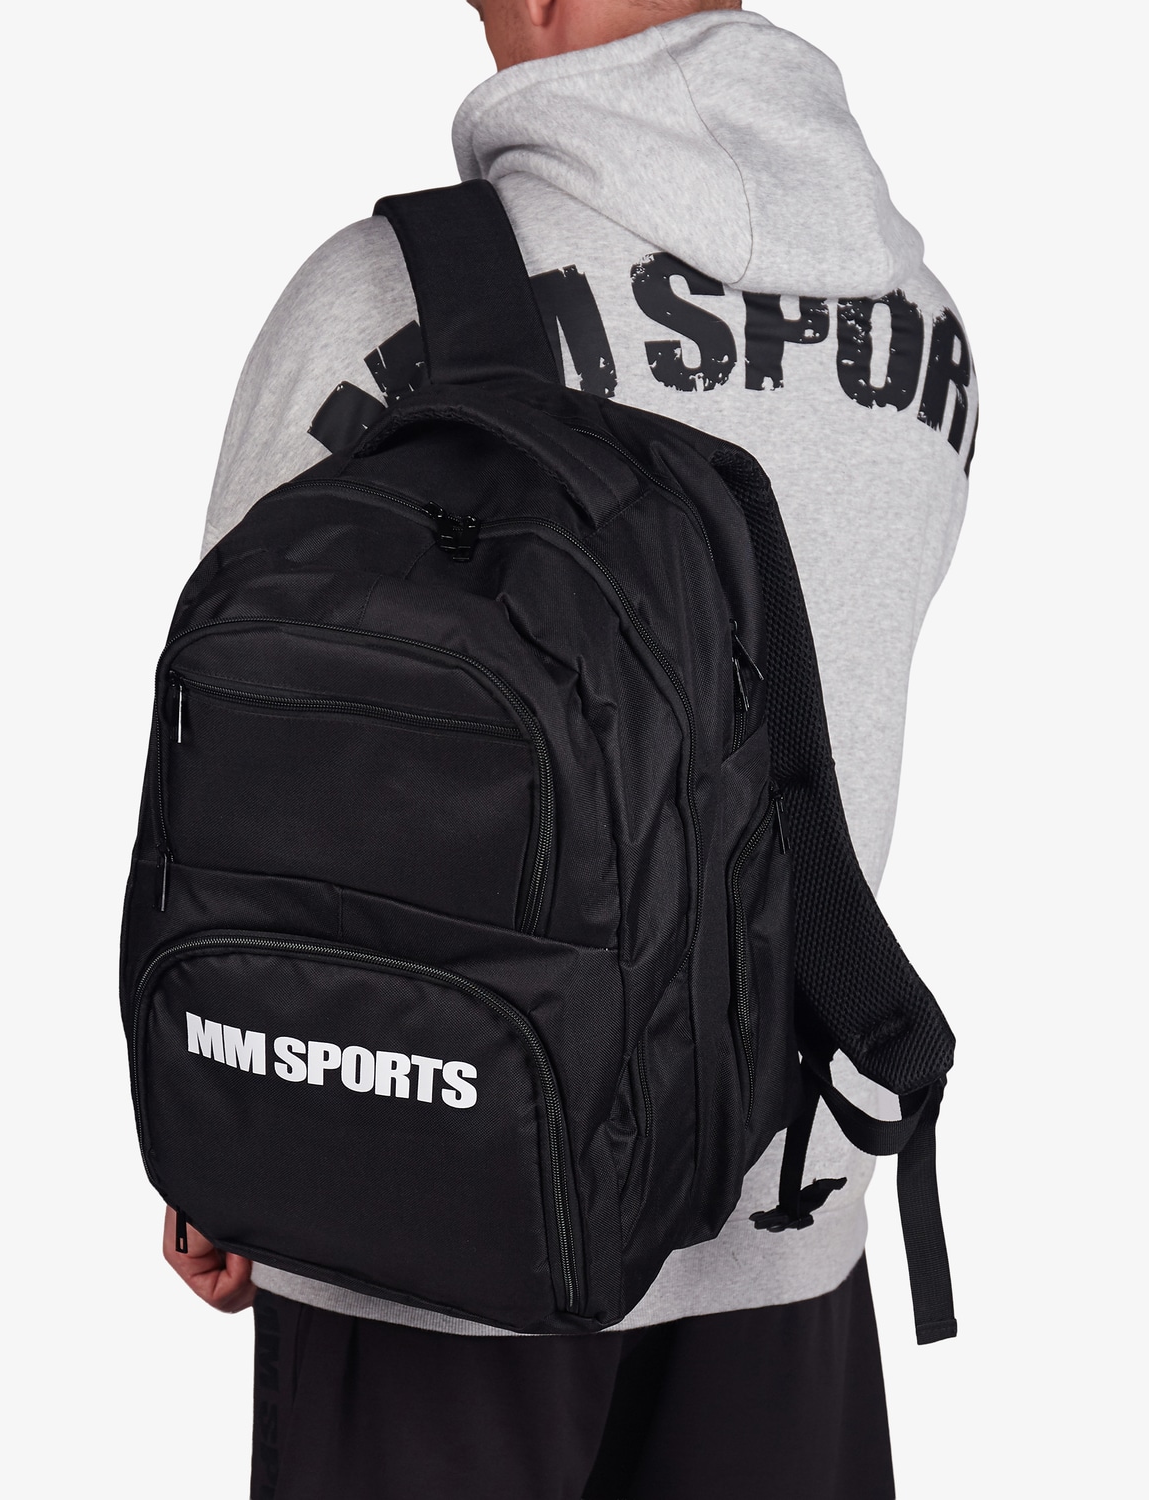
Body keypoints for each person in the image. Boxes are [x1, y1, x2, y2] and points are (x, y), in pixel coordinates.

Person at [167, 2, 975, 1495]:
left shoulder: (384, 299)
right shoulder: (920, 324)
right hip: (784, 1226)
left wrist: (233, 1132)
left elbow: (246, 762)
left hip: (422, 1212)